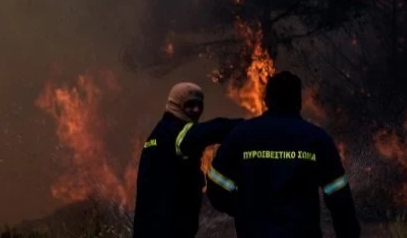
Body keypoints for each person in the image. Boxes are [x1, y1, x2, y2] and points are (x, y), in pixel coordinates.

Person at [206, 72, 361, 238]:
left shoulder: (241, 135)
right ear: (298, 102)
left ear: (267, 100)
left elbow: (216, 187)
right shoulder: (317, 139)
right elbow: (340, 199)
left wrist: (243, 210)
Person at [132, 82, 241, 238]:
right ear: (176, 104)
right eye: (190, 105)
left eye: (199, 105)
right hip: (167, 230)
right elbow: (210, 131)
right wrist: (251, 126)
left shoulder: (157, 135)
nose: (196, 110)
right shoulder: (174, 133)